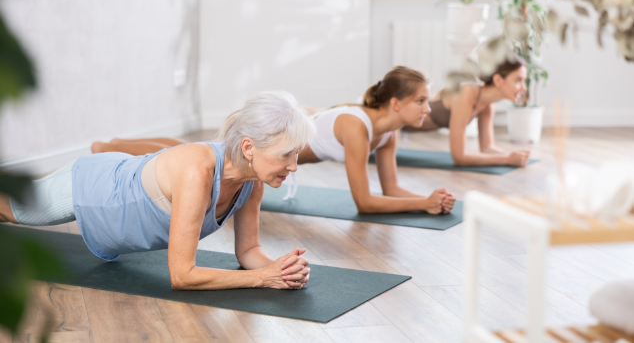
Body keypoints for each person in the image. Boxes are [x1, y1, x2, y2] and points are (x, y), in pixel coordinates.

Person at [0, 91, 314, 291]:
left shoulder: (252, 184)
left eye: (296, 154)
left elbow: (247, 252)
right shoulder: (198, 172)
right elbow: (182, 275)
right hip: (95, 189)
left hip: (124, 175)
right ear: (248, 147)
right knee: (11, 211)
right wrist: (263, 278)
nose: (294, 165)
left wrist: (280, 269)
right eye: (286, 154)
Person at [91, 67, 456, 215]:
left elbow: (390, 187)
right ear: (396, 103)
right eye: (421, 101)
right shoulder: (357, 129)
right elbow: (363, 202)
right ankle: (110, 147)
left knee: (186, 147)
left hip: (305, 122)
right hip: (272, 134)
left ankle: (115, 143)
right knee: (184, 152)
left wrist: (428, 198)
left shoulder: (386, 133)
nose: (429, 108)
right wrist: (421, 203)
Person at [407, 58, 531, 167]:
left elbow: (487, 148)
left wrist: (512, 155)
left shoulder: (487, 104)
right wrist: (507, 159)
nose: (524, 87)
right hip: (400, 126)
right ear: (498, 80)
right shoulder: (465, 94)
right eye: (518, 80)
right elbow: (459, 158)